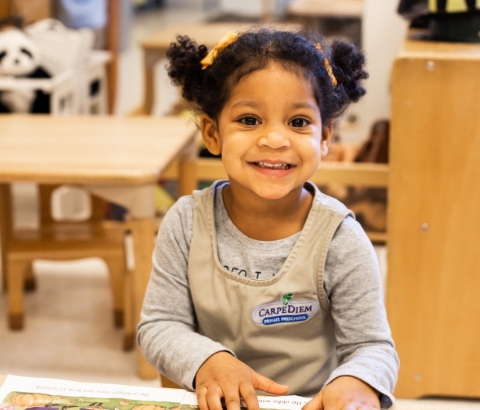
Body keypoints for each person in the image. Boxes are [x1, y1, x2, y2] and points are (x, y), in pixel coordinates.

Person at [138, 27, 399, 410]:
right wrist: (208, 360)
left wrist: (357, 381)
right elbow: (159, 325)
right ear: (212, 133)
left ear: (325, 137)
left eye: (298, 122)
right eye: (248, 120)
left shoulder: (341, 238)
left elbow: (371, 346)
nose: (275, 140)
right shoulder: (185, 222)